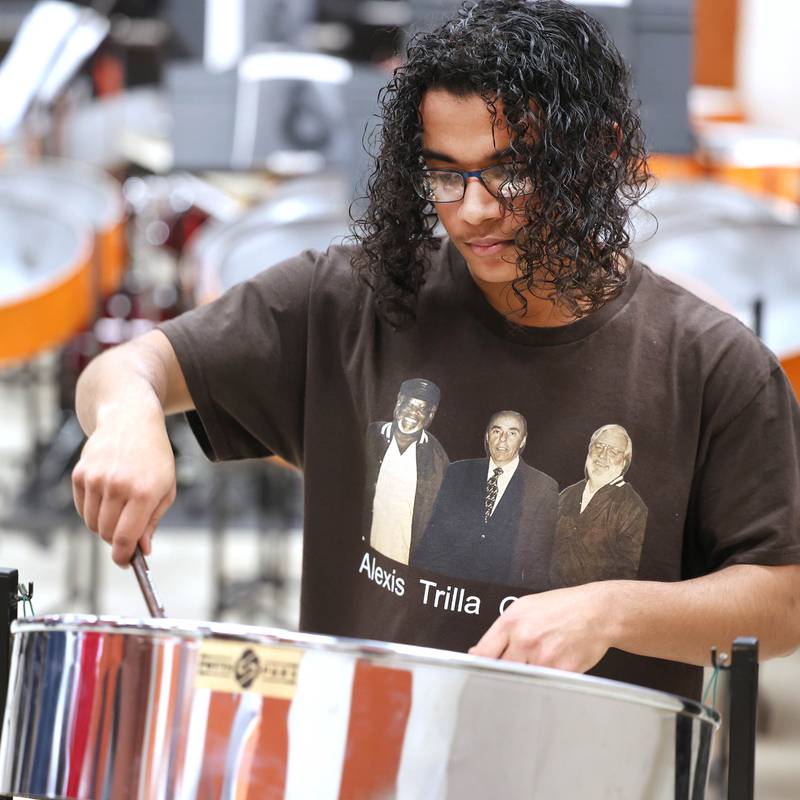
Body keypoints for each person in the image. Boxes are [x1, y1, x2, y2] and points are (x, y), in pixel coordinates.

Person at [72, 0, 800, 701]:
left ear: (601, 152)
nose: (475, 209)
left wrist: (610, 612)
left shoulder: (712, 364)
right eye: (446, 173)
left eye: (511, 169)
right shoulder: (352, 298)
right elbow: (127, 368)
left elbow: (783, 601)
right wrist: (129, 419)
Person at [411, 410, 557, 588]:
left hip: (500, 594)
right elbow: (434, 535)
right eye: (497, 431)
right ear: (487, 436)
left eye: (512, 433)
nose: (503, 439)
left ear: (523, 440)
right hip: (451, 588)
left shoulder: (543, 487)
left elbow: (538, 561)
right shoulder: (458, 472)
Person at [364, 378, 448, 564]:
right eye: (409, 405)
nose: (412, 414)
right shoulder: (370, 436)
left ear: (430, 415)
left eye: (421, 409)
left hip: (404, 561)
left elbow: (439, 517)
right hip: (364, 555)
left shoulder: (437, 457)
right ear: (398, 403)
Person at [551, 424, 647, 587]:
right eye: (599, 447)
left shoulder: (633, 508)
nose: (602, 455)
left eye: (613, 451)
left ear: (624, 461)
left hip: (591, 605)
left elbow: (627, 575)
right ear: (589, 450)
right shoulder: (567, 495)